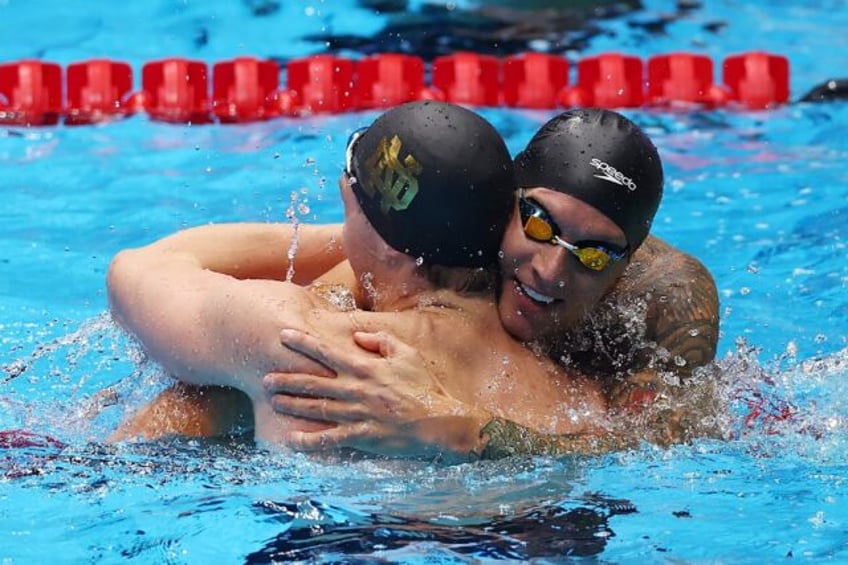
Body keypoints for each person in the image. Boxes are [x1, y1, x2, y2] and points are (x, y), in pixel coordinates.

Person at [109, 106, 720, 456]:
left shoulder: (315, 342)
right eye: (536, 224)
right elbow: (642, 452)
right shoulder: (580, 403)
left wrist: (457, 426)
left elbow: (136, 271)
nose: (550, 268)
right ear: (503, 208)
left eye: (593, 256)